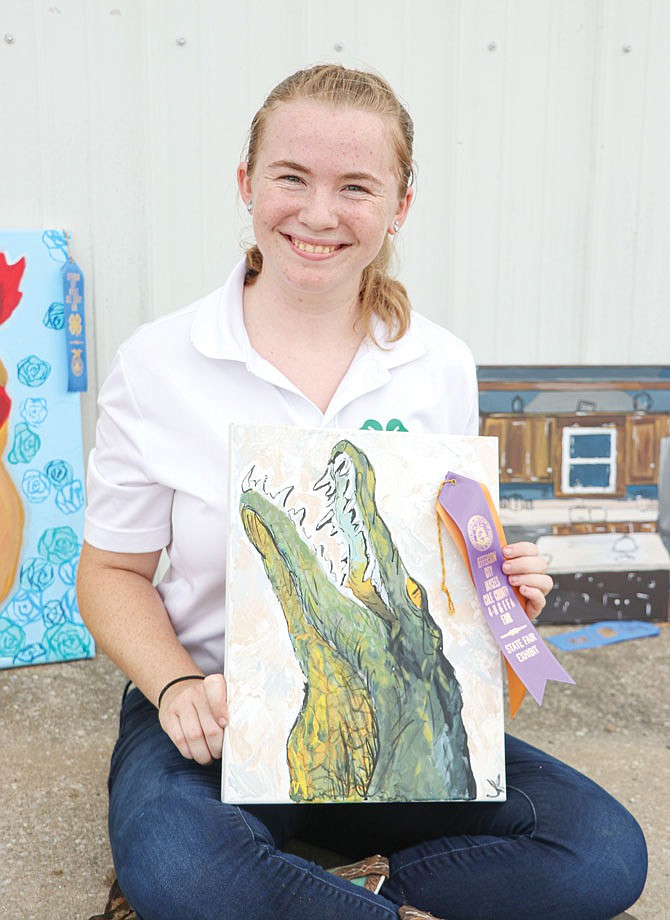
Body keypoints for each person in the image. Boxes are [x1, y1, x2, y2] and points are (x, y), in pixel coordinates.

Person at [77, 64, 647, 920]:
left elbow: (445, 566)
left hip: (398, 720)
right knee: (181, 864)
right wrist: (173, 690)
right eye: (291, 177)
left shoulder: (438, 365)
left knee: (601, 852)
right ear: (246, 183)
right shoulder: (160, 364)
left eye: (355, 186)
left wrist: (502, 598)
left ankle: (339, 896)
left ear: (399, 206)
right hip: (215, 721)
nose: (317, 213)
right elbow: (110, 573)